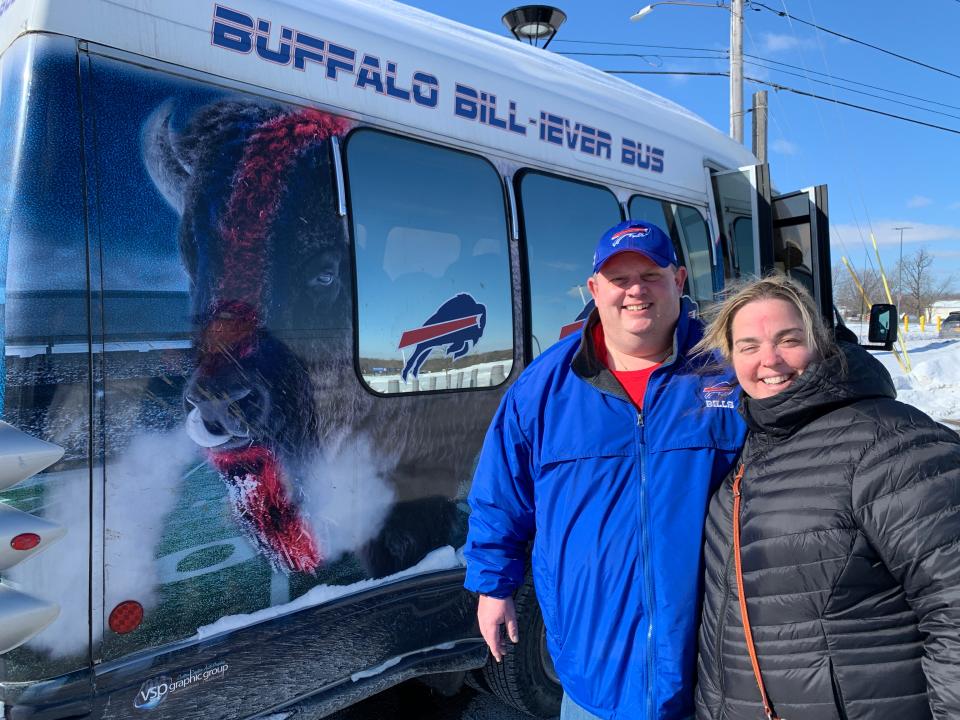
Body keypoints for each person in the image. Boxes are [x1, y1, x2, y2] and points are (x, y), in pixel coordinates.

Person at [464, 220, 746, 720]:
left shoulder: (727, 369)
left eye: (651, 275)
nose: (635, 290)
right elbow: (500, 495)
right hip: (593, 669)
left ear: (679, 281)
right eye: (619, 279)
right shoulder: (543, 389)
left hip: (711, 666)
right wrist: (494, 585)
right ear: (595, 290)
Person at [693, 275, 960, 720]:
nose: (770, 360)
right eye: (749, 346)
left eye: (789, 339)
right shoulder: (753, 446)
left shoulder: (893, 443)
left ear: (821, 342)